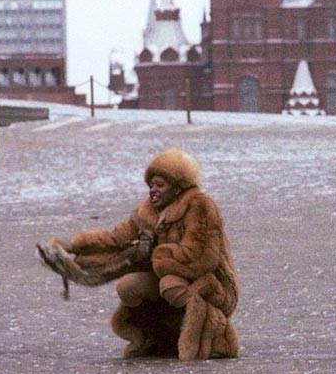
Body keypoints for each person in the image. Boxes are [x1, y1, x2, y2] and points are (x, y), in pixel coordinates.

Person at [39, 148, 239, 360]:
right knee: (128, 286)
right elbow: (116, 238)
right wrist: (73, 246)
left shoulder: (200, 206)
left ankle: (214, 336)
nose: (153, 190)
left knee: (170, 284)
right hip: (166, 276)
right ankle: (160, 337)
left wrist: (156, 253)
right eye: (151, 185)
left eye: (160, 185)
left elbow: (202, 257)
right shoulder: (148, 211)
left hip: (210, 283)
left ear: (177, 187)